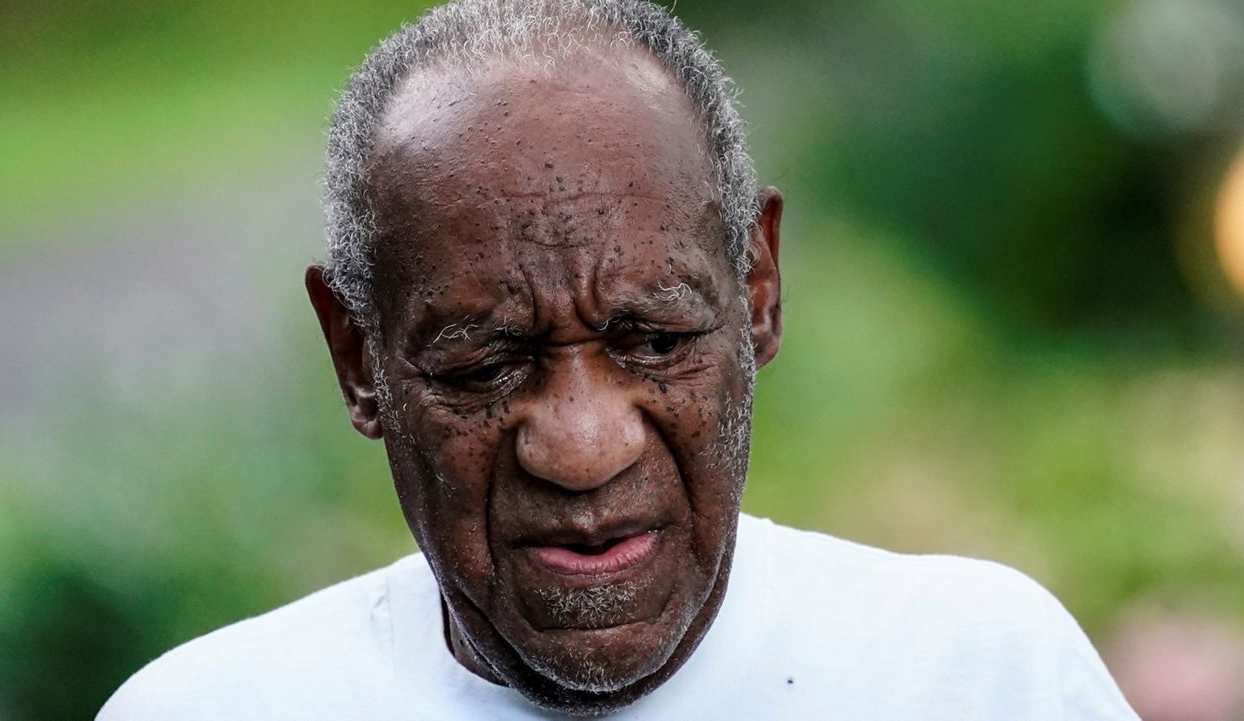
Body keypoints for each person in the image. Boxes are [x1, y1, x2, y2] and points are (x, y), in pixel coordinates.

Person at [98, 1, 1140, 718]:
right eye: (484, 363)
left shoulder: (979, 676)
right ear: (358, 355)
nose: (581, 447)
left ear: (757, 290)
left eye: (652, 342)